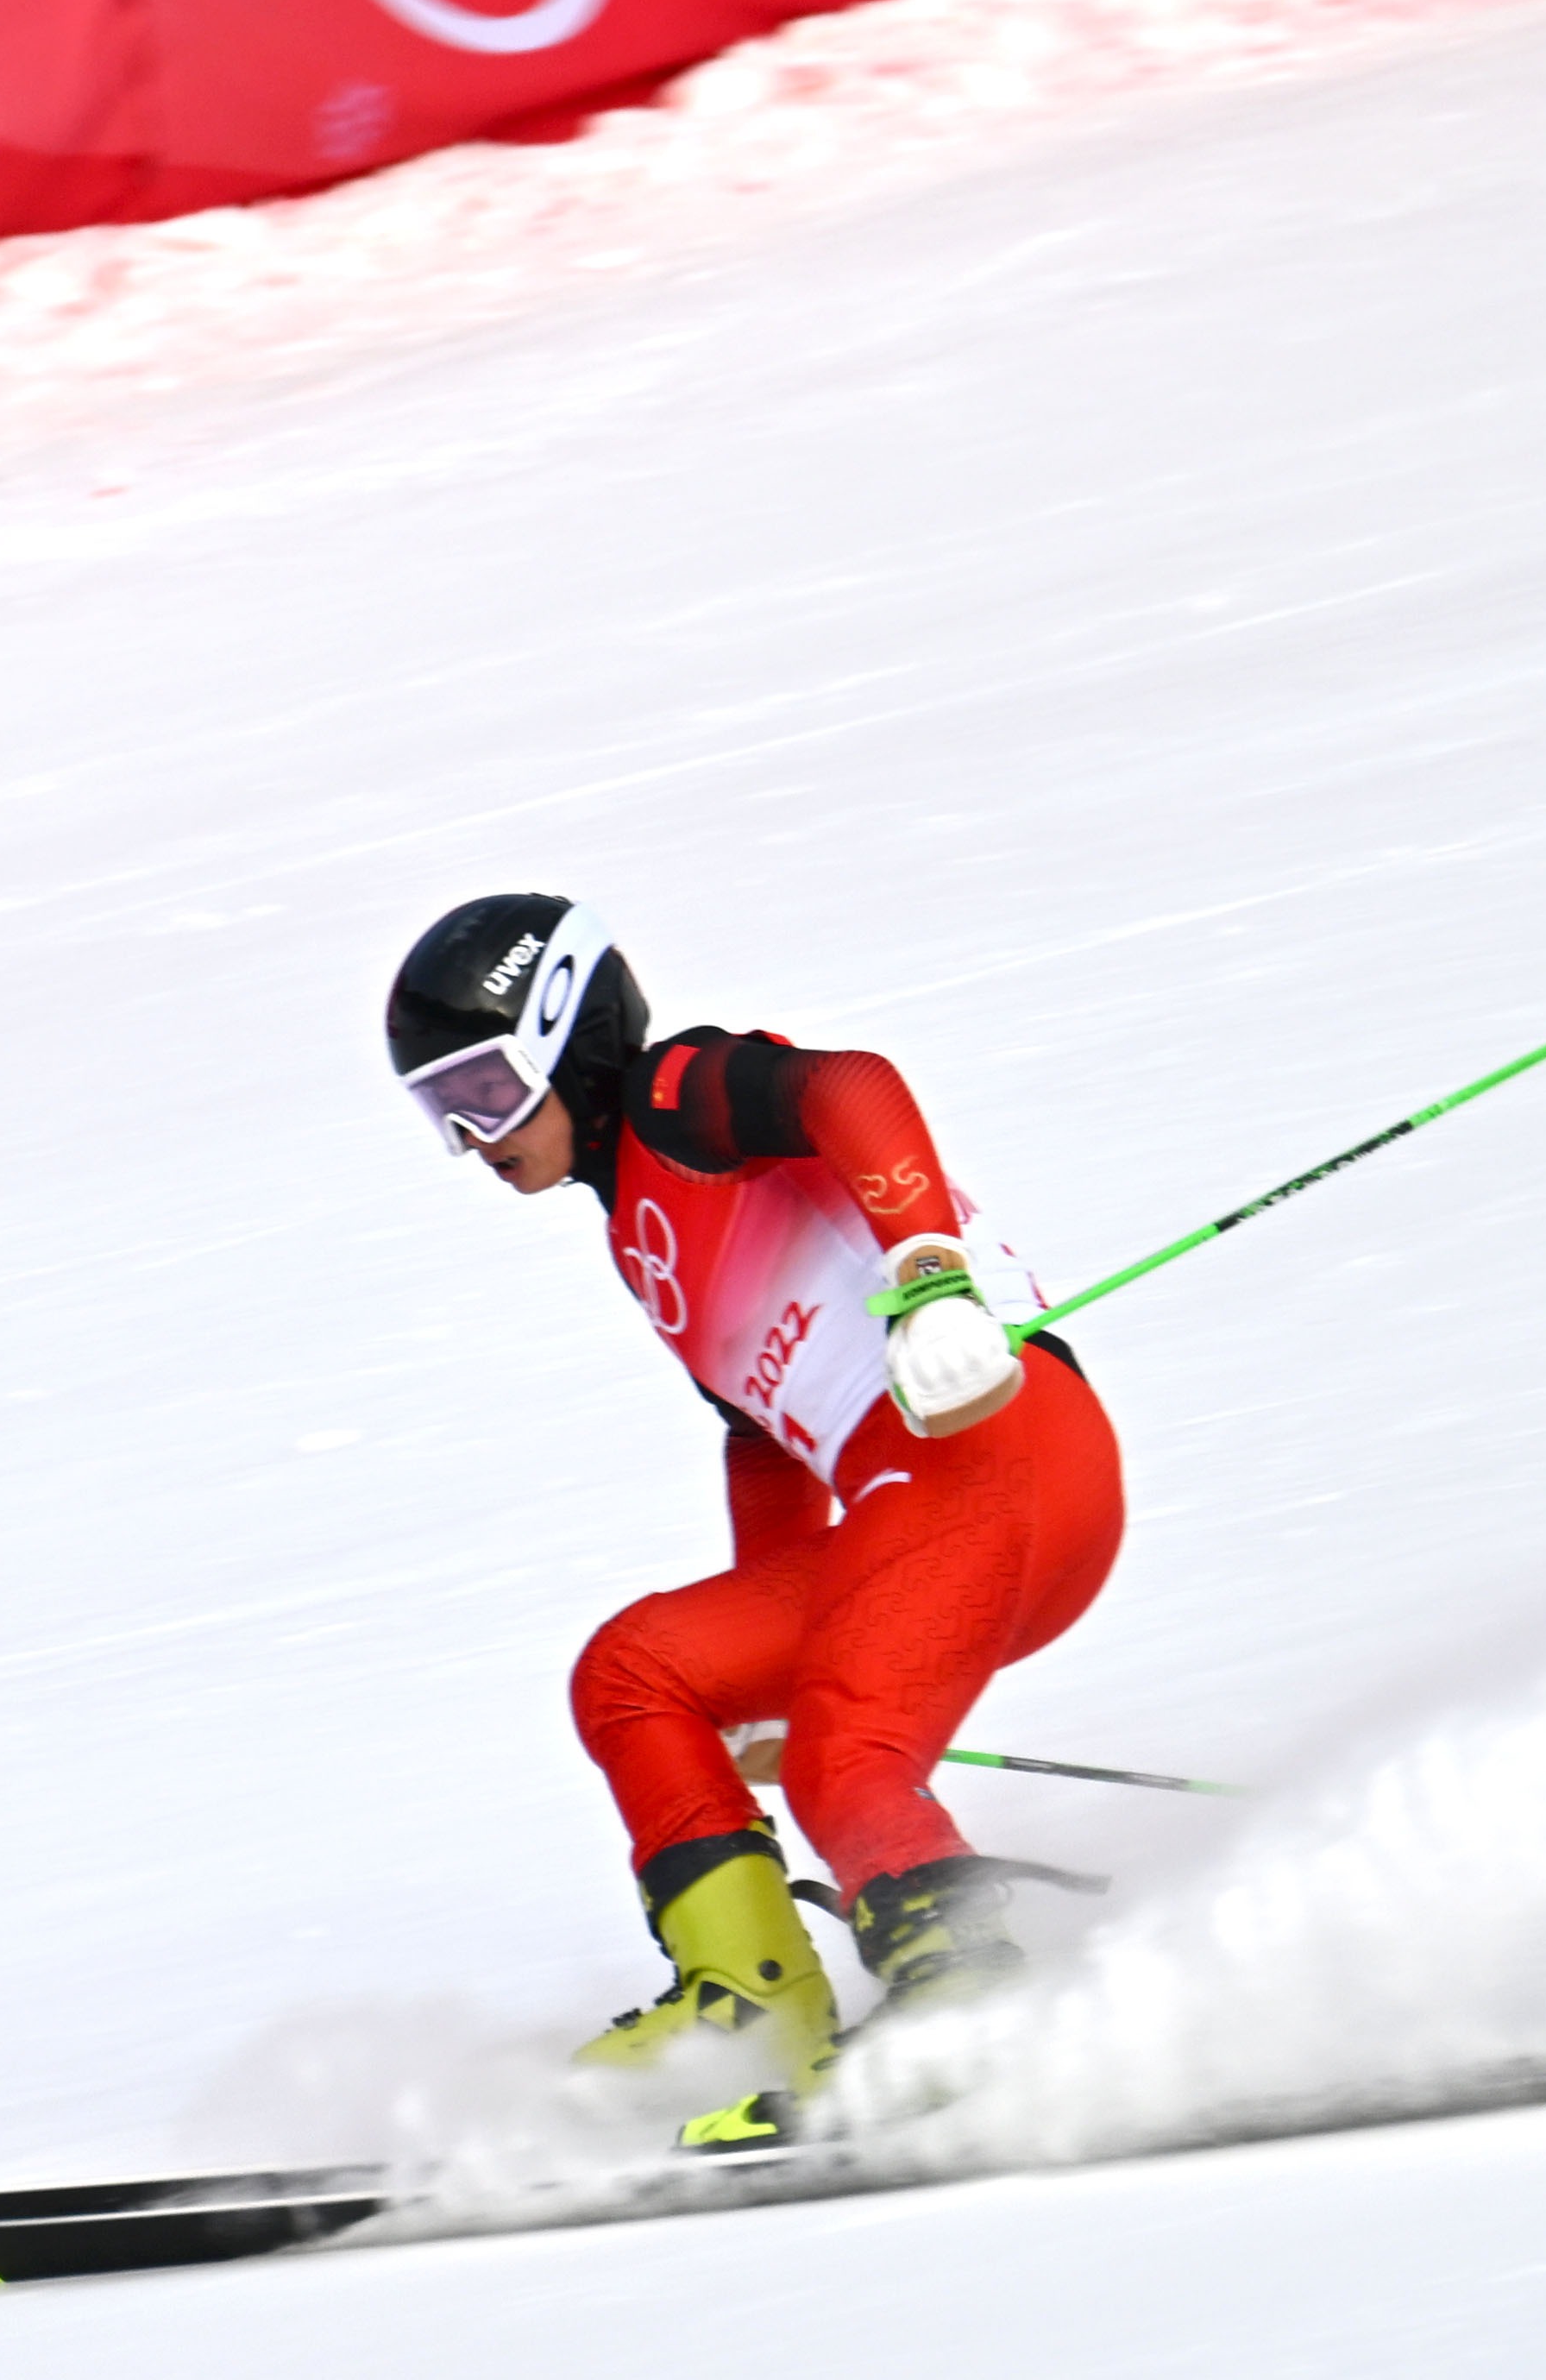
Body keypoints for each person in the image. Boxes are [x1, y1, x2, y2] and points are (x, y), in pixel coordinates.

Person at [382, 894, 1129, 2144]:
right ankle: (753, 2001)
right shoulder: (642, 1237)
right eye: (439, 1111)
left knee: (849, 1757)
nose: (473, 1138)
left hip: (994, 1447)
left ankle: (967, 1996)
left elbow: (852, 1087)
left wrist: (928, 1274)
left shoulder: (678, 1094)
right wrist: (768, 1678)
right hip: (925, 1512)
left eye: (486, 1088)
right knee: (637, 1675)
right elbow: (760, 1441)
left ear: (569, 1030)